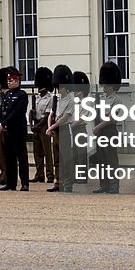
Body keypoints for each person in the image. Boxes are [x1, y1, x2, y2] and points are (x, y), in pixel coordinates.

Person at [91, 61, 123, 194]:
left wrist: (98, 126)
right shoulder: (102, 99)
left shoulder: (117, 100)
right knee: (101, 159)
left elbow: (112, 118)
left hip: (109, 131)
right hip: (100, 131)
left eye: (106, 84)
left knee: (111, 159)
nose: (104, 87)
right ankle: (103, 184)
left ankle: (114, 185)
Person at [0, 67, 30, 191]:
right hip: (7, 131)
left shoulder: (22, 95)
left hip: (17, 130)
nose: (9, 82)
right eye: (8, 80)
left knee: (21, 157)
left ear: (17, 81)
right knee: (9, 157)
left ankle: (25, 183)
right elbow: (1, 110)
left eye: (12, 80)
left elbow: (16, 113)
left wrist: (4, 124)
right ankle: (11, 182)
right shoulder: (6, 95)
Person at [46, 65, 75, 193]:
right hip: (56, 130)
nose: (59, 89)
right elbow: (52, 114)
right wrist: (49, 127)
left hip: (64, 129)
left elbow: (64, 117)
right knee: (56, 157)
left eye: (61, 86)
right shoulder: (56, 99)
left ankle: (68, 183)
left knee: (66, 158)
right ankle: (58, 181)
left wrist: (52, 126)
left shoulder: (70, 100)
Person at [30, 67, 54, 183]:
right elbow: (31, 112)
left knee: (47, 151)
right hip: (36, 126)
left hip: (44, 126)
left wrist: (38, 125)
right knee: (37, 152)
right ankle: (39, 174)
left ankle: (50, 174)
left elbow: (47, 115)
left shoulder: (50, 98)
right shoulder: (36, 98)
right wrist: (31, 124)